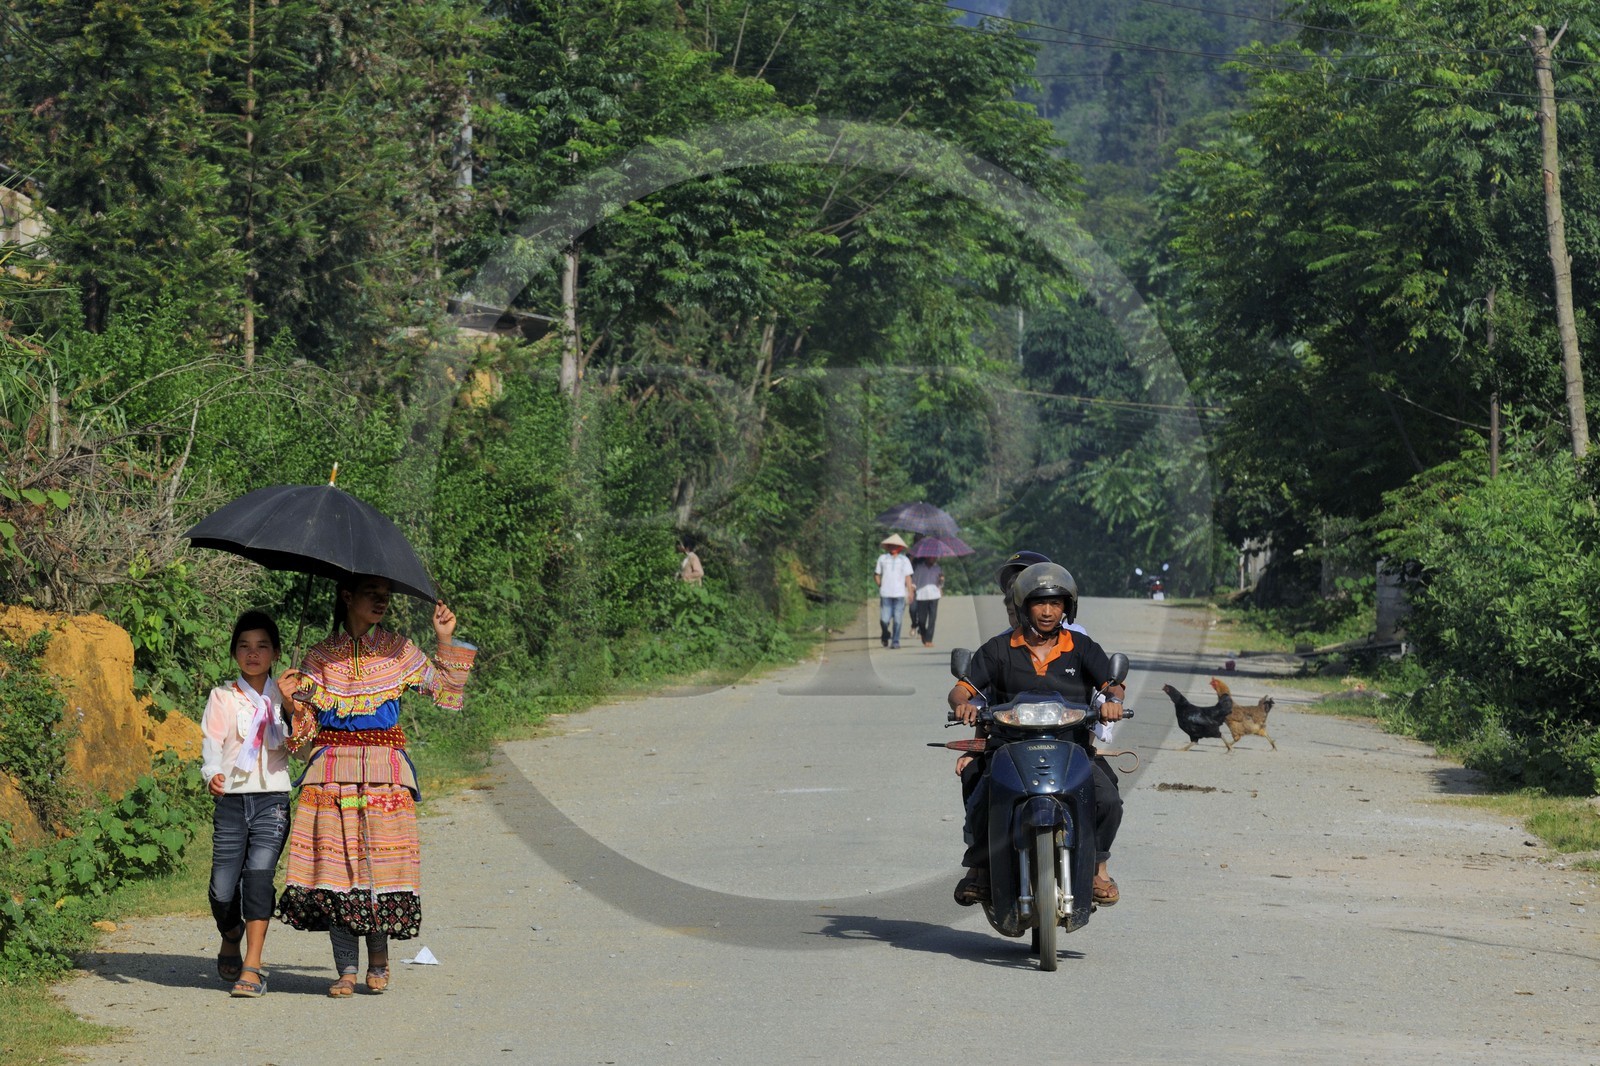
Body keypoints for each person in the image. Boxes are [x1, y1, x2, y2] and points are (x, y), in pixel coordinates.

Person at [277, 575, 475, 997]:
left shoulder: (399, 651)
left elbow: (445, 691)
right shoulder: (317, 657)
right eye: (373, 595)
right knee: (336, 871)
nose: (382, 602)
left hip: (385, 774)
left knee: (378, 869)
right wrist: (290, 702)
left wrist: (444, 639)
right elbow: (306, 730)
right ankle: (346, 970)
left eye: (386, 596)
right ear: (347, 596)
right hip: (330, 771)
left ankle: (379, 963)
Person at [948, 561, 1126, 908]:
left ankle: (1096, 868)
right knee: (980, 790)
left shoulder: (1082, 647)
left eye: (1056, 603)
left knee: (1108, 800)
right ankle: (981, 869)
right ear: (1023, 606)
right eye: (1039, 603)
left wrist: (1113, 701)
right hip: (1008, 749)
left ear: (1067, 607)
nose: (1047, 611)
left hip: (1071, 748)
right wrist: (963, 705)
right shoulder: (998, 649)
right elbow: (961, 690)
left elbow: (1113, 685)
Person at [200, 610, 305, 998]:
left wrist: (293, 709)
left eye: (262, 646)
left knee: (259, 878)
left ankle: (253, 966)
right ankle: (231, 934)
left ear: (276, 652)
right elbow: (211, 744)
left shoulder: (287, 695)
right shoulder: (223, 697)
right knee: (222, 891)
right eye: (244, 646)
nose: (253, 653)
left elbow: (303, 748)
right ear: (234, 653)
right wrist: (211, 772)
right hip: (231, 801)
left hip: (272, 799)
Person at [873, 533, 915, 648]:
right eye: (891, 545)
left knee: (898, 620)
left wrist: (910, 591)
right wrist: (880, 585)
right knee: (884, 620)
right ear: (888, 546)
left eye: (896, 545)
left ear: (900, 547)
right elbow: (876, 574)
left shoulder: (904, 560)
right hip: (885, 594)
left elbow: (908, 577)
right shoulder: (882, 559)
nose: (893, 547)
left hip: (899, 594)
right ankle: (885, 634)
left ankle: (895, 641)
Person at [910, 554, 944, 646]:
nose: (933, 558)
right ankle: (923, 633)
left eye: (934, 557)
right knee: (921, 620)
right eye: (931, 557)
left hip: (934, 595)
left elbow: (940, 584)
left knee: (932, 619)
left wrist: (941, 580)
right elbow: (914, 582)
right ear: (926, 557)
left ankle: (929, 639)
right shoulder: (919, 568)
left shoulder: (938, 568)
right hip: (922, 596)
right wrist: (911, 593)